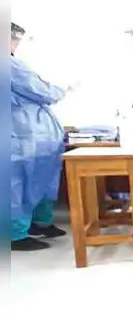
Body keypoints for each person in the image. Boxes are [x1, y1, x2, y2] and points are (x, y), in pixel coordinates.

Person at [10, 22, 68, 251]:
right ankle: (16, 234)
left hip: (31, 136)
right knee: (19, 185)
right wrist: (60, 88)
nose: (17, 43)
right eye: (15, 38)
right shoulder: (10, 64)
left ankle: (38, 224)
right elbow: (43, 91)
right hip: (20, 137)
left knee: (39, 182)